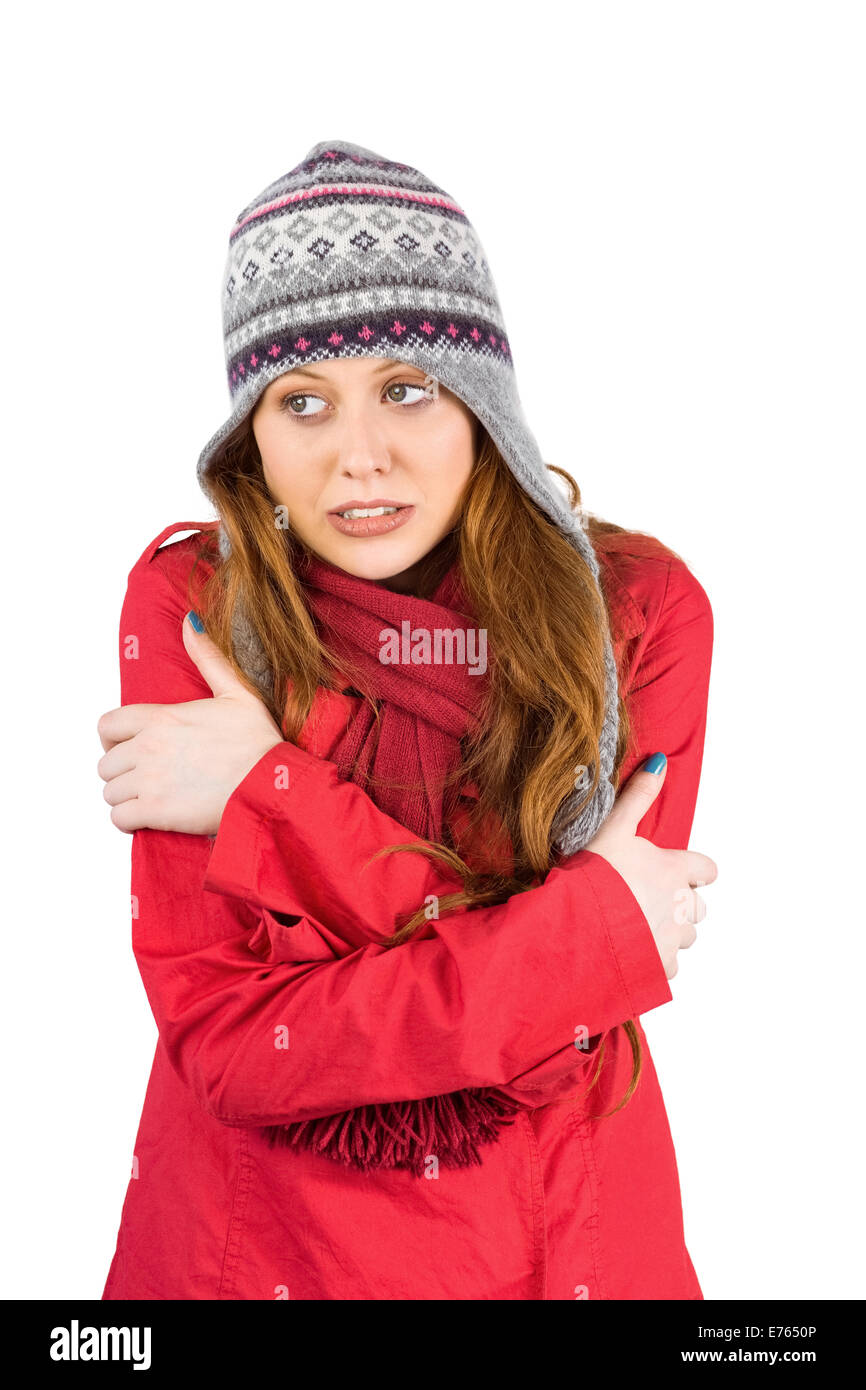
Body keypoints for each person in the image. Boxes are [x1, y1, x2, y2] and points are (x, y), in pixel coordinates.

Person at [96, 139, 716, 1301]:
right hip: (261, 1251)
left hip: (560, 1235)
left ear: (479, 397)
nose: (357, 457)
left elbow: (577, 1026)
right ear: (251, 433)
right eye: (302, 403)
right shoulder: (195, 612)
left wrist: (266, 791)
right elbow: (232, 1042)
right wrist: (570, 934)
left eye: (406, 388)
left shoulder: (634, 613)